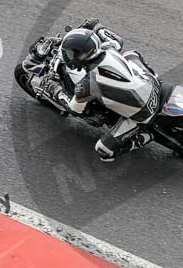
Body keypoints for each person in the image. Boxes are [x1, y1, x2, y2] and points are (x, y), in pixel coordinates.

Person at [46, 19, 161, 162]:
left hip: (144, 113)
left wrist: (54, 88)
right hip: (153, 84)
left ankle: (146, 136)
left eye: (71, 53)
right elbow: (116, 38)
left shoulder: (87, 85)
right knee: (131, 54)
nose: (68, 56)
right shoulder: (110, 47)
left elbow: (74, 109)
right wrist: (96, 26)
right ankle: (156, 78)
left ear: (81, 56)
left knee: (104, 151)